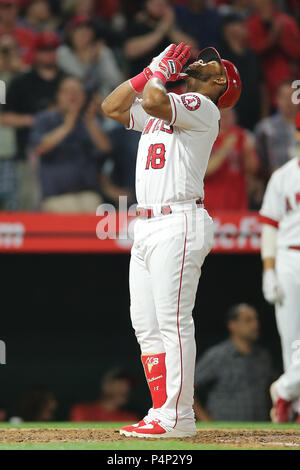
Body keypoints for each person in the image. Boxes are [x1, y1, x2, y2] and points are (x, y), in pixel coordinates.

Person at [102, 42, 241, 437]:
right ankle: (162, 410)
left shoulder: (203, 106)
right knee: (145, 325)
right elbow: (111, 108)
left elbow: (156, 101)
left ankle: (179, 416)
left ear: (219, 80)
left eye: (210, 62)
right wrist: (148, 73)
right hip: (147, 223)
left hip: (178, 220)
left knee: (173, 323)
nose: (200, 59)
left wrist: (160, 73)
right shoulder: (164, 101)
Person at [260, 113, 300, 423]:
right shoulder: (283, 176)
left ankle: (285, 390)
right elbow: (270, 227)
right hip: (288, 257)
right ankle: (295, 407)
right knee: (291, 339)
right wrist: (268, 269)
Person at [28, 77, 112, 212]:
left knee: (94, 208)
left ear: (84, 96)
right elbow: (39, 147)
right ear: (58, 96)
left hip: (88, 194)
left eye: (77, 92)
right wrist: (69, 123)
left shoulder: (90, 121)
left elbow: (105, 148)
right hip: (56, 196)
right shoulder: (45, 118)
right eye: (68, 91)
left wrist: (90, 121)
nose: (72, 96)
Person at [2, 31, 63, 210]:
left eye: (52, 49)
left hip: (62, 151)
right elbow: (4, 116)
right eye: (44, 49)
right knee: (26, 203)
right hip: (27, 151)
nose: (49, 53)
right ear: (35, 53)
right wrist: (38, 119)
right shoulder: (20, 81)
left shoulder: (66, 80)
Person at [194, 304, 274, 422]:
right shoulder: (218, 356)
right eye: (248, 320)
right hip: (224, 432)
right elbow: (188, 388)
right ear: (232, 325)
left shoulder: (263, 356)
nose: (255, 324)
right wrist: (206, 421)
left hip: (259, 430)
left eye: (256, 319)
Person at [246, 0, 300, 108]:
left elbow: (297, 52)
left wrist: (282, 38)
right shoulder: (251, 24)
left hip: (288, 81)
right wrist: (272, 38)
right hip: (262, 84)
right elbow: (252, 52)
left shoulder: (286, 22)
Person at [204, 108, 259, 212]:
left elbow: (252, 170)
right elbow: (204, 171)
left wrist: (248, 153)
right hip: (211, 203)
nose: (226, 116)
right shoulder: (205, 135)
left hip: (237, 202)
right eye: (222, 113)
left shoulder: (241, 135)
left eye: (229, 112)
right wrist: (224, 149)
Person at [124, 0, 196, 78]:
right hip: (143, 80)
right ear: (146, 5)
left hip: (172, 83)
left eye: (163, 4)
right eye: (155, 4)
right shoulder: (137, 26)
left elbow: (192, 49)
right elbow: (130, 51)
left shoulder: (177, 26)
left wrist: (169, 27)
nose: (159, 8)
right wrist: (161, 30)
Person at [219, 13, 265, 130]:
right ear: (227, 29)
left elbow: (262, 86)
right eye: (240, 25)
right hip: (227, 121)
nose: (245, 28)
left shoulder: (252, 55)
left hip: (254, 117)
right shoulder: (218, 56)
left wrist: (264, 115)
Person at [57, 15, 123, 97]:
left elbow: (115, 81)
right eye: (79, 31)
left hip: (101, 100)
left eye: (87, 31)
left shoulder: (103, 52)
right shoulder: (63, 52)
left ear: (93, 34)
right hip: (74, 99)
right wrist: (92, 60)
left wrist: (101, 59)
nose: (83, 35)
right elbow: (81, 78)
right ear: (71, 34)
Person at [255, 80, 300, 179]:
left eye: (293, 97)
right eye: (284, 97)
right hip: (276, 183)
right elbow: (260, 163)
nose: (289, 102)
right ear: (277, 99)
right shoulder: (265, 128)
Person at [0, 34, 23, 210]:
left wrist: (19, 70)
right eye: (3, 51)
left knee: (12, 207)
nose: (7, 55)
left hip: (11, 154)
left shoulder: (23, 77)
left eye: (10, 50)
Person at [70, 369, 139, 422]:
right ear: (106, 386)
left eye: (128, 385)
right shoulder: (82, 411)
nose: (126, 389)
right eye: (120, 384)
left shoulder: (130, 419)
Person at [0, 0, 36, 65]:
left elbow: (32, 63)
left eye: (15, 7)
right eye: (6, 7)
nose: (11, 11)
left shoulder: (29, 36)